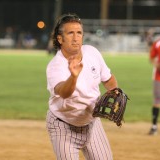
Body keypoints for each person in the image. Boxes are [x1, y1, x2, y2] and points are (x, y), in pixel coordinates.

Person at [46, 13, 118, 159]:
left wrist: (115, 91)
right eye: (70, 33)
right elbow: (63, 92)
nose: (76, 37)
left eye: (79, 32)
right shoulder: (55, 66)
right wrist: (73, 76)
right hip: (63, 126)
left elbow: (108, 78)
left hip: (91, 122)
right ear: (60, 39)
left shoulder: (92, 52)